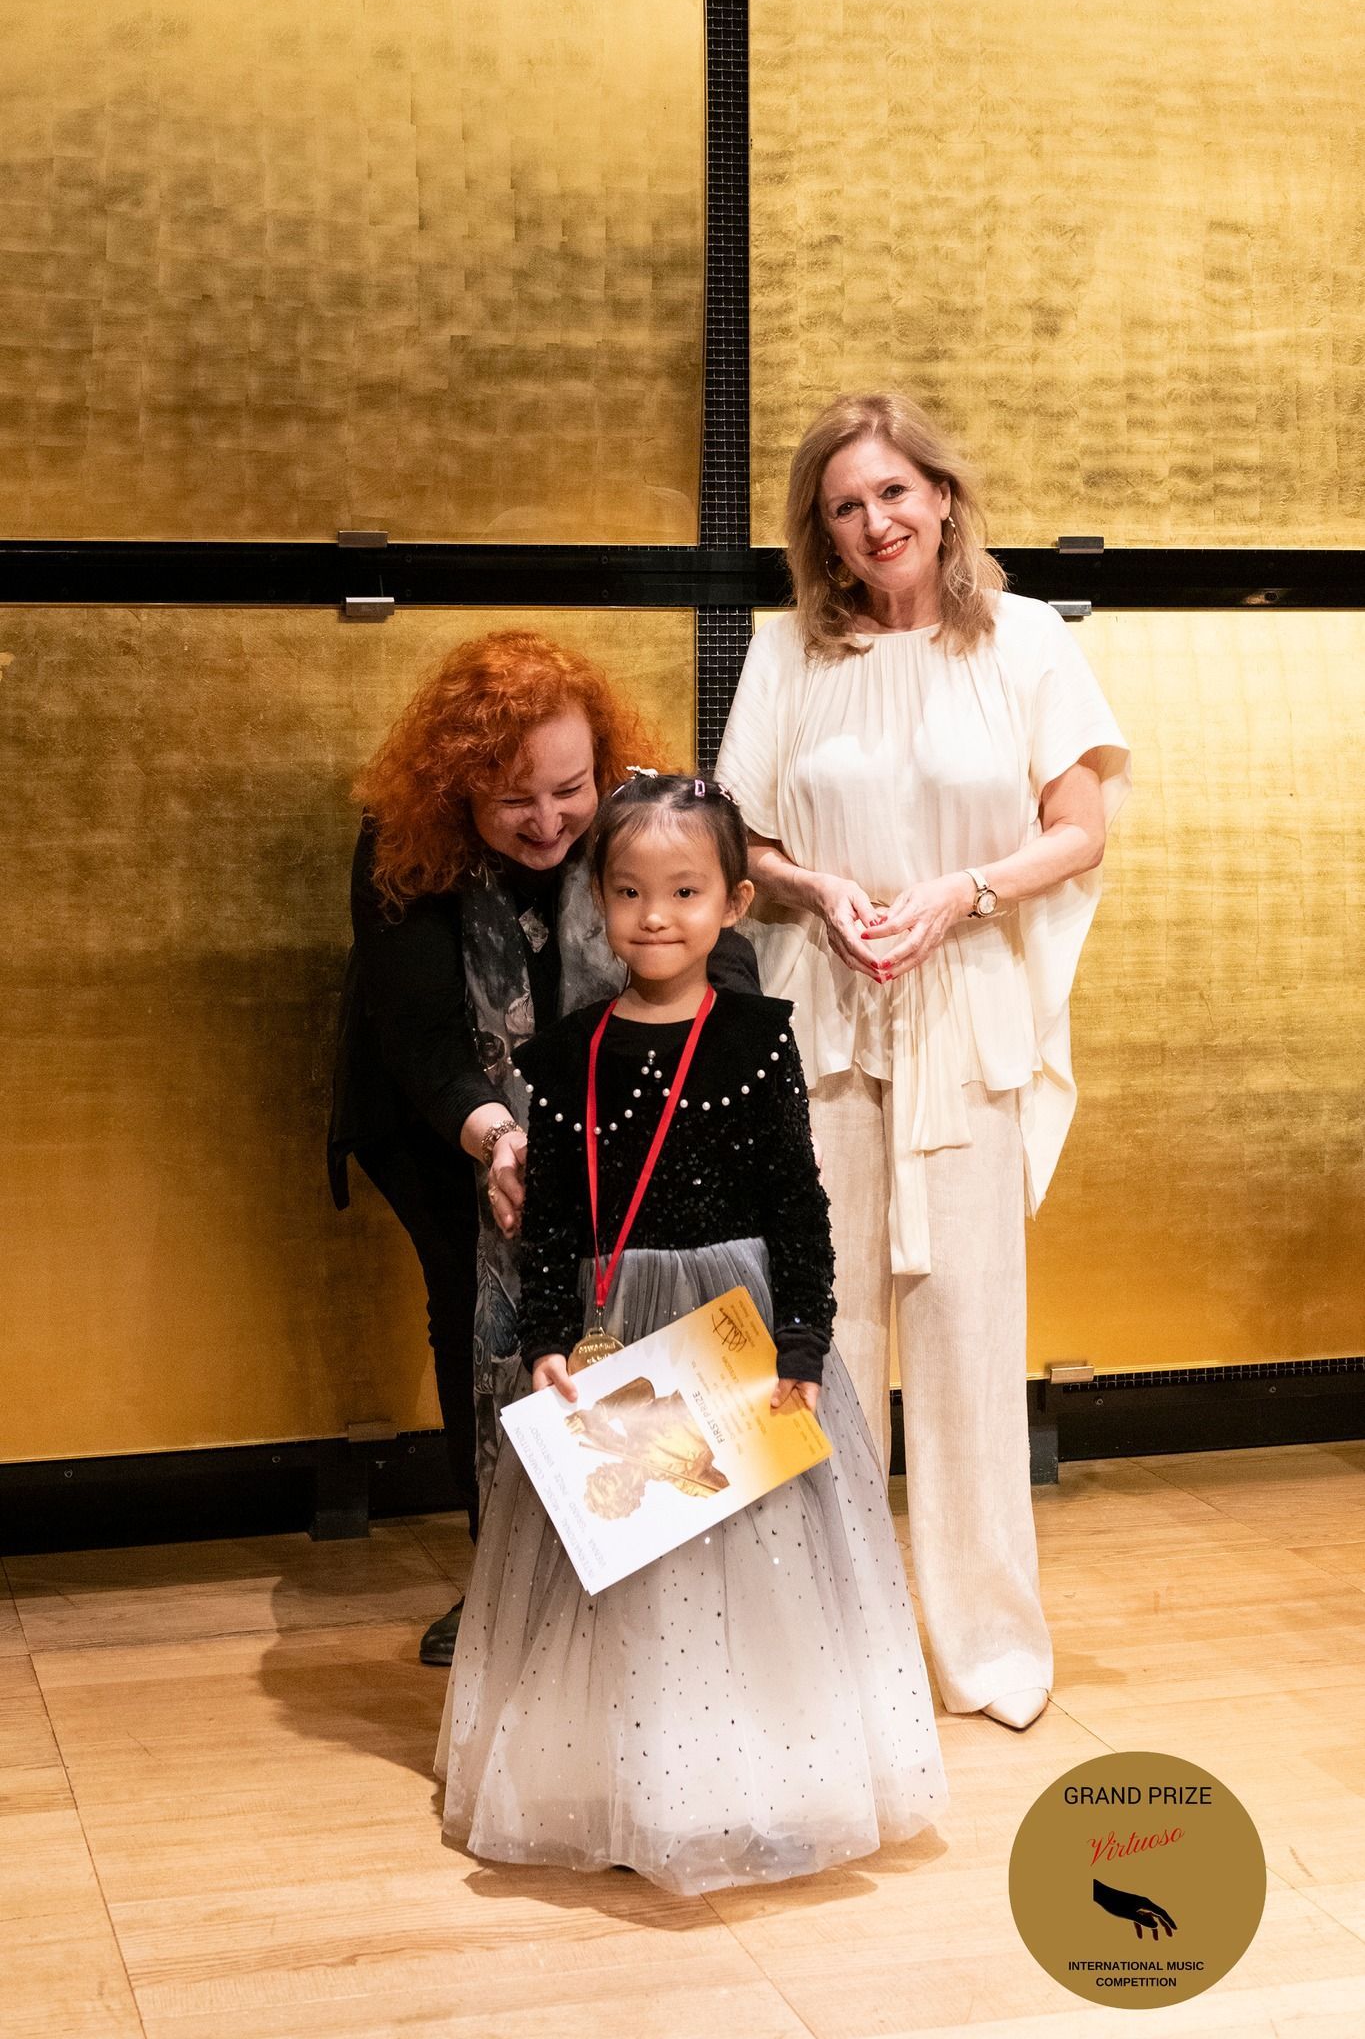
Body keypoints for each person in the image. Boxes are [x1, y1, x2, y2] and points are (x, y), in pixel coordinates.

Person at [436, 773, 947, 1895]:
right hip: (616, 1328)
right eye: (627, 891)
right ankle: (628, 1786)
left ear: (735, 902)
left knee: (756, 1558)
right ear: (598, 900)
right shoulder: (567, 1053)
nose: (654, 916)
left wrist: (802, 1340)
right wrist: (547, 1333)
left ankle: (763, 1785)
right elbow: (553, 1213)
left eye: (683, 891)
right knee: (621, 1565)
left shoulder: (757, 1038)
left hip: (736, 1333)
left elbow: (797, 1202)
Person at [715, 392, 1131, 1734]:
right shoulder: (789, 651)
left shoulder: (1024, 639)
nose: (874, 521)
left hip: (968, 1013)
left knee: (967, 1339)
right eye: (845, 505)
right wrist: (818, 891)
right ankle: (827, 1651)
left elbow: (1079, 826)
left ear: (943, 497)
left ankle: (987, 1648)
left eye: (894, 492)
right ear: (822, 532)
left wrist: (964, 889)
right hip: (826, 1008)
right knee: (820, 1333)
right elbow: (742, 840)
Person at [328, 631, 759, 1665]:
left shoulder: (646, 814)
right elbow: (422, 1040)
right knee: (481, 1322)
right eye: (513, 799)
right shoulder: (402, 838)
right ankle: (505, 1576)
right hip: (447, 1130)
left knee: (629, 1318)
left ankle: (633, 1556)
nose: (549, 819)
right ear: (458, 787)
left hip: (623, 1118)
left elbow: (723, 955)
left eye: (569, 789)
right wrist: (502, 1142)